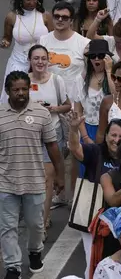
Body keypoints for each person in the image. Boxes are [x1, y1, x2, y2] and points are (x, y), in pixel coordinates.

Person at [0, 71, 64, 279]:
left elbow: (53, 146)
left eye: (24, 89)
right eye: (16, 89)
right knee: (7, 227)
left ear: (29, 89)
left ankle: (35, 252)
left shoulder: (41, 114)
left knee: (36, 225)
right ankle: (12, 266)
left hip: (35, 181)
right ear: (7, 91)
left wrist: (60, 176)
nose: (20, 93)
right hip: (5, 182)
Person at [68, 112, 121, 279]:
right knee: (93, 262)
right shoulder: (96, 152)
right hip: (93, 219)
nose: (116, 140)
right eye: (113, 135)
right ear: (106, 135)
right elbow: (75, 148)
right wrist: (74, 129)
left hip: (119, 220)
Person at [27, 44, 71, 231]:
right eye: (36, 58)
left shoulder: (56, 80)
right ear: (29, 60)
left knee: (47, 180)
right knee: (30, 181)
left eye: (43, 58)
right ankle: (35, 216)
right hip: (27, 138)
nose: (40, 62)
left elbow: (67, 105)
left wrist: (52, 109)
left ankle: (42, 225)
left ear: (48, 60)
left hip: (51, 136)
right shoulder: (22, 81)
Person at [0, 0, 52, 92]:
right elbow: (7, 38)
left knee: (40, 93)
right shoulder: (12, 17)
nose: (32, 2)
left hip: (40, 63)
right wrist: (4, 42)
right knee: (16, 93)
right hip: (18, 62)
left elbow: (53, 38)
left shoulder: (45, 16)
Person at [39, 1, 92, 99]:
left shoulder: (84, 43)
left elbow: (91, 73)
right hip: (48, 98)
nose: (60, 19)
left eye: (65, 17)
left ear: (71, 21)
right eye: (56, 16)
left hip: (75, 100)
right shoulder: (42, 41)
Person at [74, 39, 114, 145]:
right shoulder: (81, 79)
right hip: (88, 128)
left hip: (110, 128)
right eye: (92, 56)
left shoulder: (114, 76)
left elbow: (116, 96)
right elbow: (78, 111)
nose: (96, 59)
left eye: (100, 56)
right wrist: (85, 137)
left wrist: (109, 71)